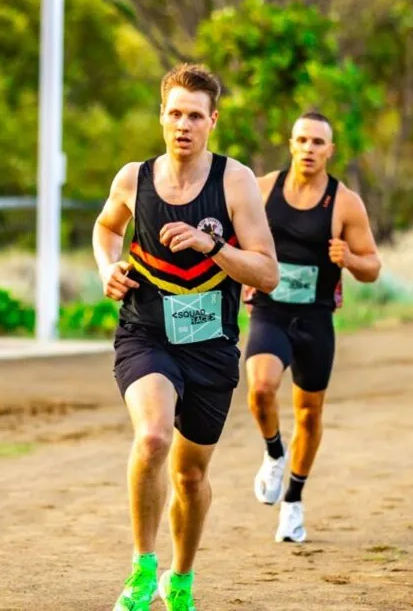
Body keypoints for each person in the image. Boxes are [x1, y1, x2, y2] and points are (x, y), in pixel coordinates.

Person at [93, 64, 279, 611]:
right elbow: (107, 227)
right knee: (152, 438)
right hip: (145, 333)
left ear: (212, 121)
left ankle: (181, 577)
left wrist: (210, 245)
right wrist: (107, 266)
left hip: (212, 345)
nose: (183, 125)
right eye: (174, 113)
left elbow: (267, 272)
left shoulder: (235, 180)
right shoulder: (134, 178)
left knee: (191, 477)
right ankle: (141, 569)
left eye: (194, 116)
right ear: (161, 116)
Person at [242, 111, 382, 543]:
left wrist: (349, 259)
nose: (308, 149)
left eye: (318, 142)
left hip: (317, 318)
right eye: (302, 140)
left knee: (309, 412)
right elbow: (233, 240)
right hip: (270, 310)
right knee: (260, 387)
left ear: (330, 151)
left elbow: (373, 266)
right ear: (290, 143)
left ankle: (294, 502)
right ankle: (273, 454)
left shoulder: (344, 202)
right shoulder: (263, 189)